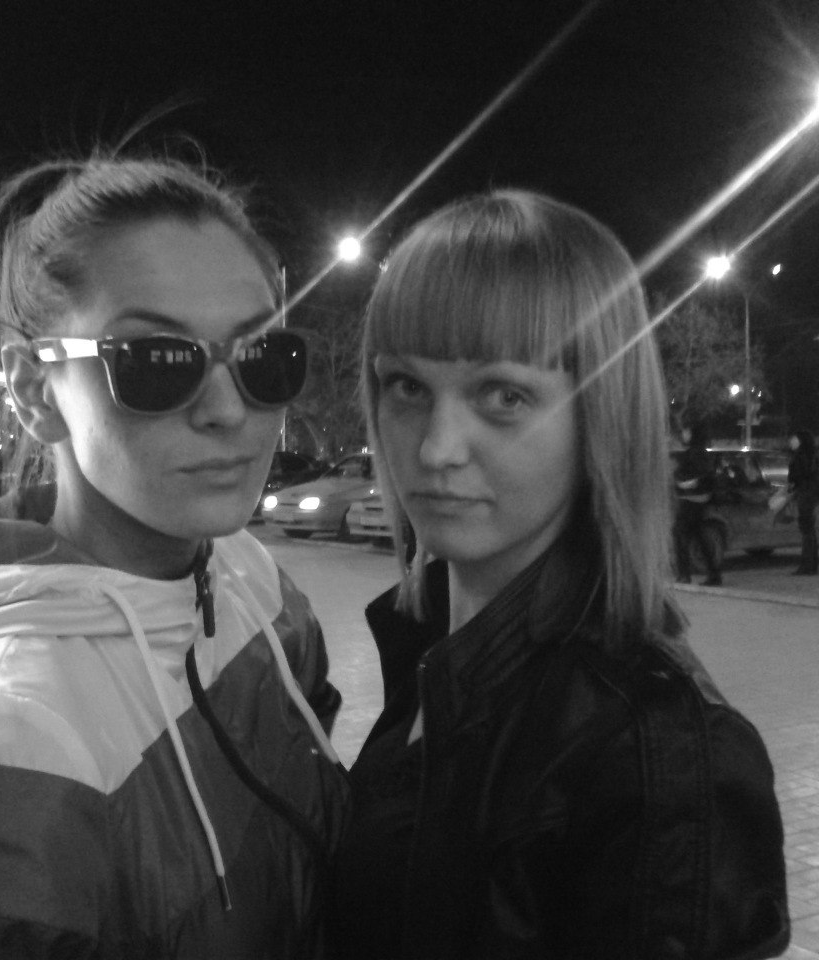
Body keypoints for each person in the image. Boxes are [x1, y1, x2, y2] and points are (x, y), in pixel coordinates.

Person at [0, 152, 350, 958]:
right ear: (35, 390)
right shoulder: (5, 732)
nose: (229, 409)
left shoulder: (252, 579)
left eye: (263, 357)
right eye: (157, 362)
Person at [330, 190, 789, 959]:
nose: (437, 449)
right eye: (407, 386)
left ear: (599, 418)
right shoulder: (434, 654)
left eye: (503, 395)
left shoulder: (658, 759)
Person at [673, 421, 723, 586]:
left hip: (692, 500)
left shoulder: (696, 453)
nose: (684, 434)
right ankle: (713, 574)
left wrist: (688, 483)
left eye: (686, 431)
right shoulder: (697, 452)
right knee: (699, 537)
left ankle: (684, 574)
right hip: (695, 499)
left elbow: (705, 475)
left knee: (681, 534)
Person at [788, 429, 819, 575]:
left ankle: (807, 565)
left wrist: (793, 484)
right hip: (810, 492)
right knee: (809, 530)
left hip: (805, 493)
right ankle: (811, 564)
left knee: (806, 529)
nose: (791, 441)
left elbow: (798, 475)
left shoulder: (802, 456)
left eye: (794, 439)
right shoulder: (813, 454)